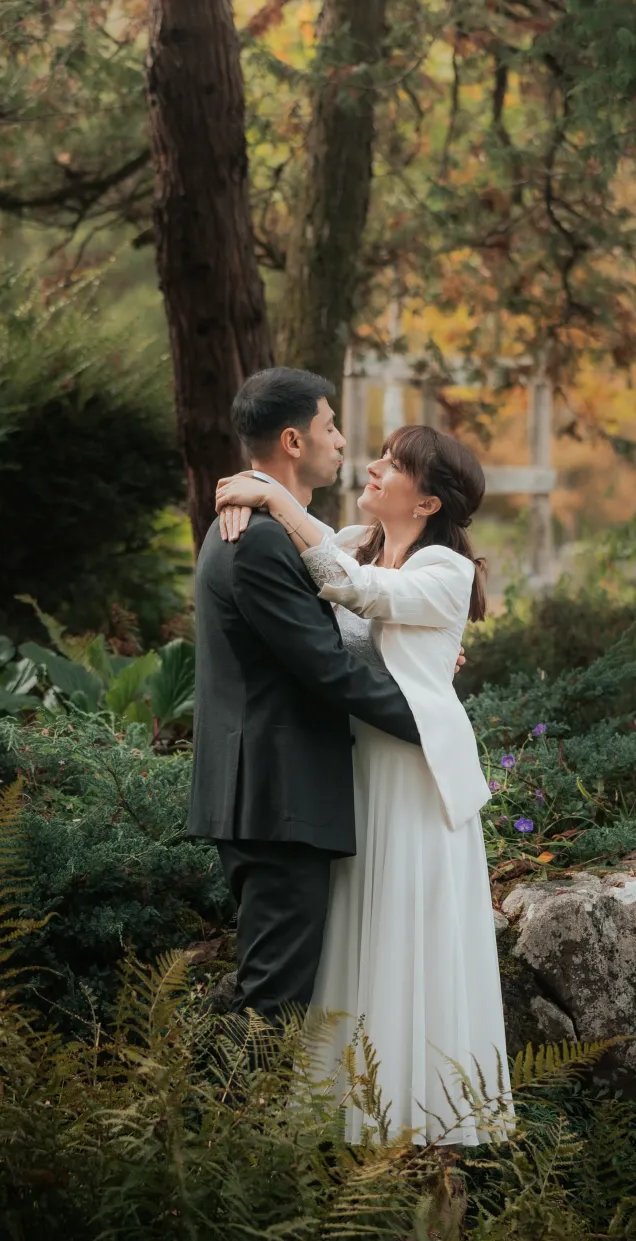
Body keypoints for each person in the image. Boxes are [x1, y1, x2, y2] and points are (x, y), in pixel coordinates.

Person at [214, 423, 513, 1148]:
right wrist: (251, 499)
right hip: (357, 773)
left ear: (430, 501)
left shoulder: (446, 571)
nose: (374, 467)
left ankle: (426, 1138)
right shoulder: (356, 539)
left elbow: (348, 590)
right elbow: (324, 551)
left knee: (410, 938)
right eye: (378, 455)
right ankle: (349, 1132)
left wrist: (268, 496)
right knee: (358, 935)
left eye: (396, 464)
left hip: (414, 778)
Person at [186, 367, 422, 1025]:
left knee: (278, 991)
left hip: (273, 797)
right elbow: (324, 668)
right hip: (273, 798)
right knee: (273, 1002)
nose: (343, 441)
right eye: (330, 426)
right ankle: (225, 1127)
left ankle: (233, 1121)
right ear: (293, 441)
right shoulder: (254, 540)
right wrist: (431, 720)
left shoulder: (266, 526)